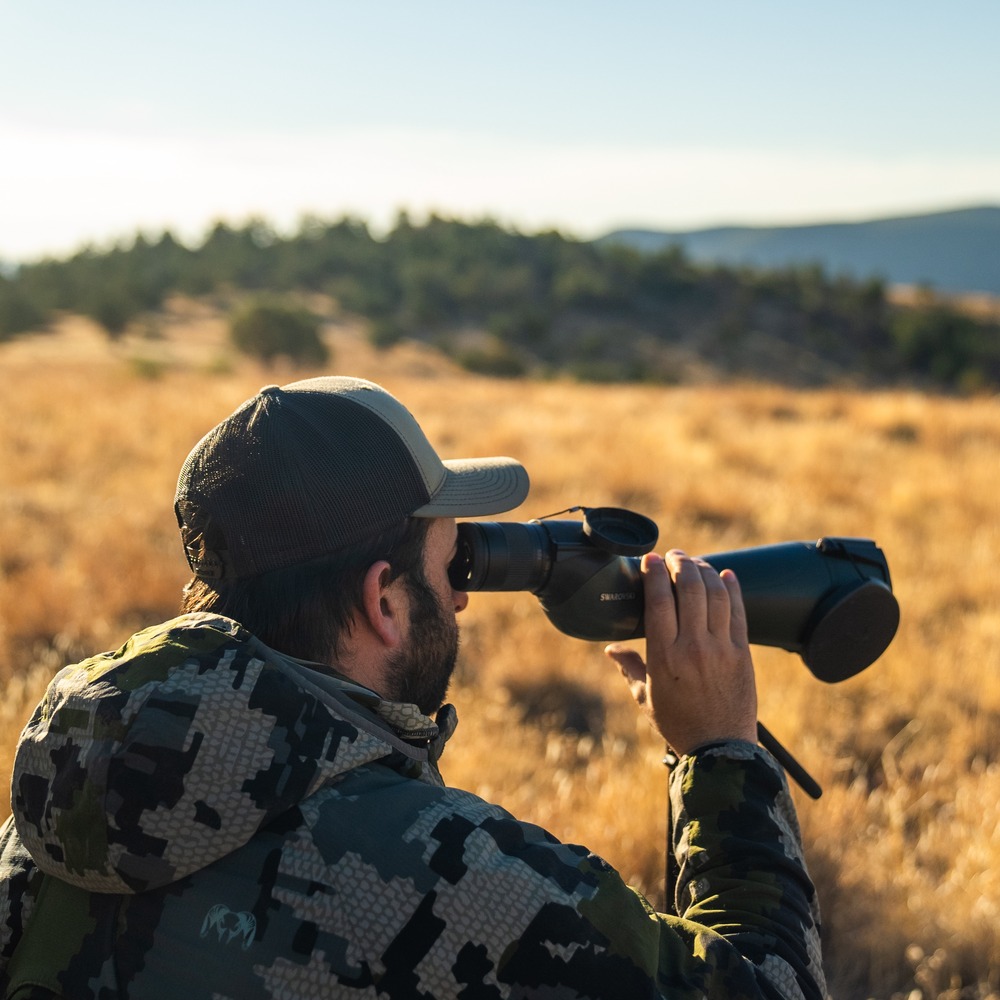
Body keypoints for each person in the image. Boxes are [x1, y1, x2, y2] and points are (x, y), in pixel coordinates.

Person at [0, 376, 825, 1000]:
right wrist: (721, 754)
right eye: (447, 562)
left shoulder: (51, 819)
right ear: (384, 601)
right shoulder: (449, 878)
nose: (461, 595)